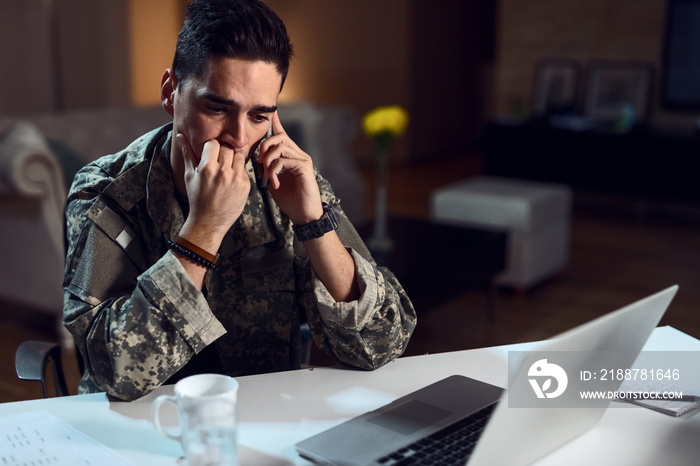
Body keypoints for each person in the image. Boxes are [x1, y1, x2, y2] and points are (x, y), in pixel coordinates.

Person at [62, 0, 416, 401]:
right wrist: (204, 229)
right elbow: (115, 373)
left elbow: (382, 344)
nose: (240, 137)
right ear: (170, 93)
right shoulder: (106, 193)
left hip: (264, 421)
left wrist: (312, 222)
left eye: (259, 115)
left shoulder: (286, 182)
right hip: (139, 428)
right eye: (217, 107)